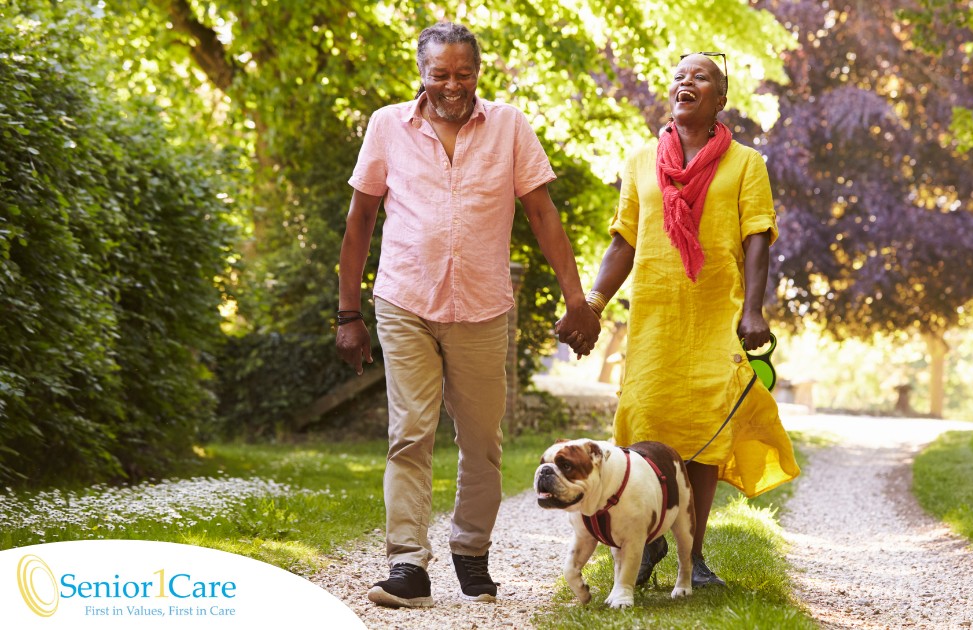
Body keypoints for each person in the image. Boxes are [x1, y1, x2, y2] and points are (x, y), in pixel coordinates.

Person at [335, 22, 599, 609]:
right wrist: (347, 313)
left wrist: (575, 298)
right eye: (440, 74)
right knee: (410, 435)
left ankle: (471, 552)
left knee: (482, 443)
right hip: (405, 300)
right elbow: (359, 222)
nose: (453, 85)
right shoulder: (387, 126)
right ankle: (407, 564)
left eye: (464, 73)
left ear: (478, 72)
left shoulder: (509, 126)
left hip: (481, 308)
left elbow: (542, 213)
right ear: (422, 74)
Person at [575, 52, 800, 588]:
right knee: (646, 427)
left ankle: (691, 558)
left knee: (703, 438)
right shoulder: (640, 161)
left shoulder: (746, 164)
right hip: (654, 318)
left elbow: (756, 238)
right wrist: (593, 302)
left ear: (721, 98)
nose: (686, 82)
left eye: (700, 76)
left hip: (714, 317)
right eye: (680, 76)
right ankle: (644, 542)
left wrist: (753, 310)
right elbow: (624, 241)